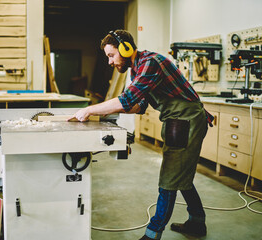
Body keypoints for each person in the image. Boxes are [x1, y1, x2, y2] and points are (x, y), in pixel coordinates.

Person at [69, 30, 214, 240]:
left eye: (111, 55)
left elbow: (127, 100)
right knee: (180, 173)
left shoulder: (151, 63)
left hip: (186, 120)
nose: (109, 62)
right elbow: (137, 105)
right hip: (177, 119)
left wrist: (91, 109)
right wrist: (104, 113)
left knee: (169, 177)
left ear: (126, 49)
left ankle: (152, 234)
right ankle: (197, 222)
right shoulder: (136, 69)